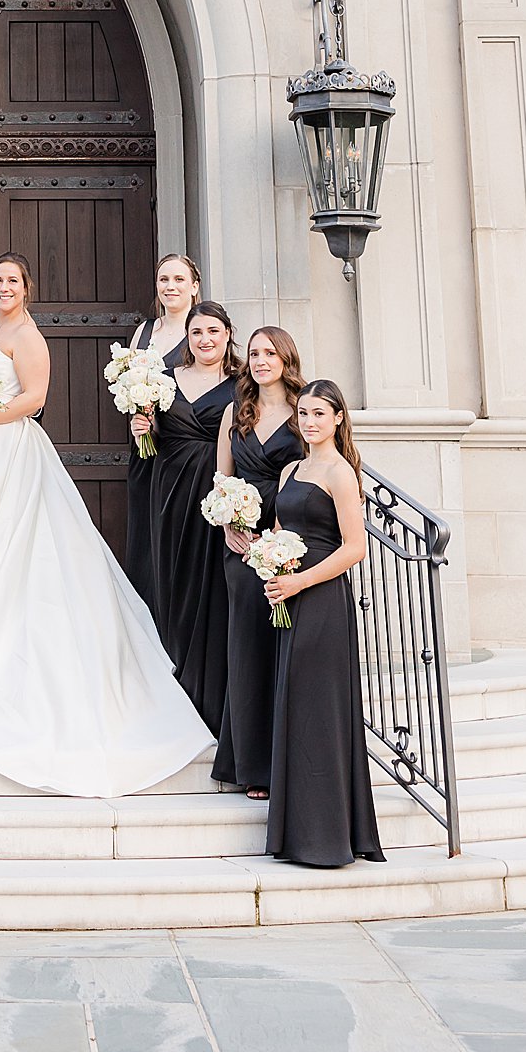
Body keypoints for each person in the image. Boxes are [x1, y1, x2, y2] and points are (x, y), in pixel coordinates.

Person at [0, 252, 213, 798]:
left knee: (1, 548)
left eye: (13, 280)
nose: (4, 287)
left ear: (27, 286)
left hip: (6, 449)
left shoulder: (28, 334)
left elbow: (34, 399)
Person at [264, 379, 385, 868]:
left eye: (320, 414)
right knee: (294, 704)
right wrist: (270, 564)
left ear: (337, 419)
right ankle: (297, 836)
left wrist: (299, 582)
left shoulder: (340, 473)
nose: (310, 422)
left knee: (320, 709)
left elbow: (354, 547)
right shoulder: (291, 468)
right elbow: (278, 529)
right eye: (305, 414)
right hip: (288, 592)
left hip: (321, 600)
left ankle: (327, 839)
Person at [212, 326, 305, 796]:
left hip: (290, 544)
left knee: (284, 653)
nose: (262, 360)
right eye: (254, 353)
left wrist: (285, 533)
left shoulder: (303, 413)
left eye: (271, 353)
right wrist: (229, 524)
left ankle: (287, 760)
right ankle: (251, 766)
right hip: (242, 546)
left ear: (287, 359)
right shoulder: (236, 411)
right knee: (247, 649)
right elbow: (222, 478)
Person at [141, 301, 239, 734]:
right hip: (171, 490)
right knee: (173, 582)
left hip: (216, 494)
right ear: (188, 338)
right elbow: (159, 432)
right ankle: (172, 689)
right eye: (197, 332)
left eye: (213, 332)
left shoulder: (241, 386)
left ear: (227, 335)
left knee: (213, 586)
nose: (205, 340)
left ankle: (210, 693)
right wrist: (144, 430)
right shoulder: (164, 380)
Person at [122, 253, 200, 607]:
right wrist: (137, 419)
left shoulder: (201, 334)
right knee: (145, 540)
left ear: (194, 287)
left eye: (179, 280)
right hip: (146, 452)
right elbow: (128, 388)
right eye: (164, 280)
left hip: (182, 455)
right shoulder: (143, 331)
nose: (170, 287)